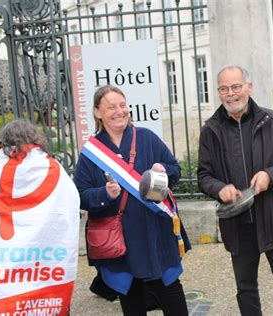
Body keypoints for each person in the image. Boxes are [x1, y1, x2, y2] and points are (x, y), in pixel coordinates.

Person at [197, 65, 273, 316]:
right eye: (224, 89)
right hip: (238, 223)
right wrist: (219, 188)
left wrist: (271, 174)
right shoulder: (211, 130)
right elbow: (203, 176)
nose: (231, 94)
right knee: (245, 289)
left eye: (236, 86)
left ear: (249, 87)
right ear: (218, 92)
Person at [74, 85, 190, 316]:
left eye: (122, 105)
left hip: (154, 233)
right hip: (121, 240)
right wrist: (104, 194)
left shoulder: (146, 137)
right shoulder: (91, 153)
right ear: (98, 113)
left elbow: (175, 170)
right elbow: (80, 195)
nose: (120, 111)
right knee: (132, 300)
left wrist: (163, 170)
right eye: (111, 107)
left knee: (171, 293)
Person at [0, 119, 80, 314]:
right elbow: (69, 202)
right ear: (36, 137)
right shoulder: (50, 167)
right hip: (40, 260)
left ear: (2, 142)